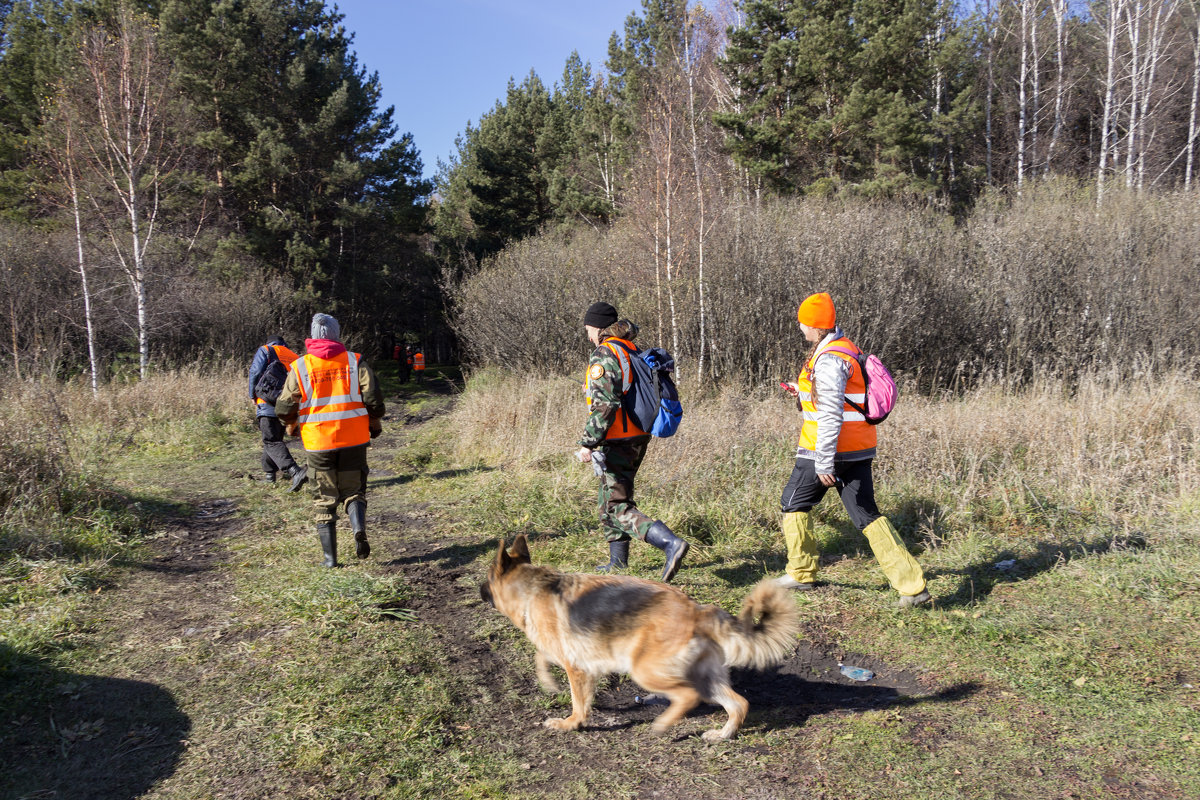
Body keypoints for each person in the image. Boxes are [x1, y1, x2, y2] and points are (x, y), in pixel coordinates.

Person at [777, 292, 931, 607]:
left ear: (817, 326)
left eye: (804, 323)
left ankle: (801, 573)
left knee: (792, 504)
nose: (800, 328)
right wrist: (802, 389)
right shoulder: (845, 350)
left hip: (827, 450)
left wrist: (823, 463)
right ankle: (913, 588)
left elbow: (831, 413)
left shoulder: (831, 359)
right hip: (858, 447)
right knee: (866, 515)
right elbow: (837, 398)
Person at [574, 301, 690, 583]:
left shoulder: (604, 353)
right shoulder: (628, 348)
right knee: (610, 497)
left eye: (589, 329)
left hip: (618, 437)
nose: (588, 335)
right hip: (639, 433)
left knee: (616, 505)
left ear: (598, 327)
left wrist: (588, 443)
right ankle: (617, 562)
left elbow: (606, 404)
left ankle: (670, 543)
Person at [275, 314, 386, 567]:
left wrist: (292, 421)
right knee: (354, 490)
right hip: (354, 439)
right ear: (337, 334)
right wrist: (374, 418)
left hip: (318, 443)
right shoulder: (354, 361)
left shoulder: (301, 366)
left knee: (324, 498)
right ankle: (358, 528)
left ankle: (330, 561)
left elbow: (283, 408)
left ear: (313, 335)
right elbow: (374, 400)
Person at [247, 336, 307, 491]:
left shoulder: (266, 350)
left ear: (270, 343)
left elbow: (255, 372)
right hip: (288, 406)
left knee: (271, 440)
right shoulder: (295, 357)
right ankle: (269, 476)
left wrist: (252, 394)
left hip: (267, 403)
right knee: (275, 439)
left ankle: (295, 471)